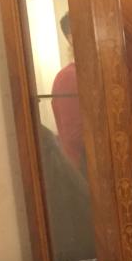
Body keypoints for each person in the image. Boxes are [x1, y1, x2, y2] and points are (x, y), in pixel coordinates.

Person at [51, 12, 85, 172]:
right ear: (72, 39)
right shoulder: (68, 78)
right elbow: (74, 136)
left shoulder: (86, 75)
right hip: (84, 171)